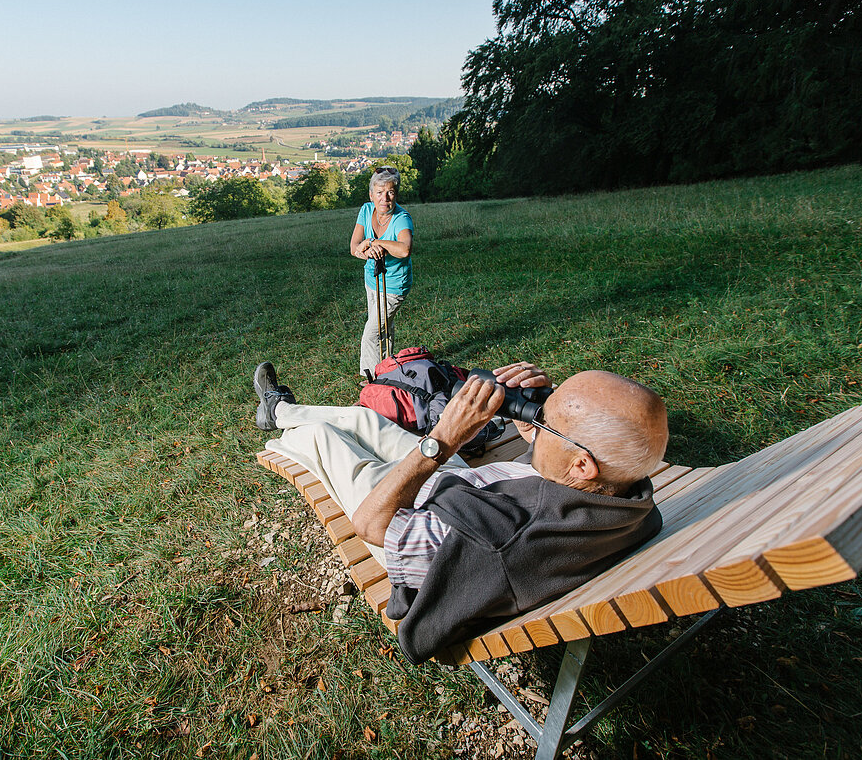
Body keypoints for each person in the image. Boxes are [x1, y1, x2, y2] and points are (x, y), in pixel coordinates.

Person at [252, 360, 667, 663]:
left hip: (423, 524)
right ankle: (280, 412)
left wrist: (444, 438)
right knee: (367, 421)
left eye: (547, 420)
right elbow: (553, 493)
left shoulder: (499, 541)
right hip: (472, 495)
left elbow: (371, 523)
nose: (538, 417)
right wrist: (538, 436)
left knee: (326, 439)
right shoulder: (629, 495)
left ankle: (287, 421)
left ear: (582, 464)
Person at [349, 166, 413, 376]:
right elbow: (354, 247)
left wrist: (375, 242)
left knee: (371, 332)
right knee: (384, 328)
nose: (385, 198)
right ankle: (388, 370)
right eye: (379, 192)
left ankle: (372, 378)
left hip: (395, 285)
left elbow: (404, 249)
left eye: (390, 192)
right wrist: (368, 250)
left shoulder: (402, 218)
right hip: (372, 279)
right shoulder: (366, 210)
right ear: (371, 194)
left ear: (396, 194)